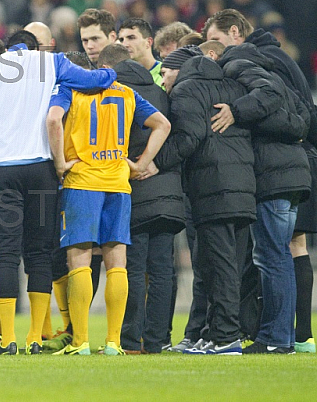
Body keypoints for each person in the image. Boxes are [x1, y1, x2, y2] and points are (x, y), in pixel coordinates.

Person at [0, 30, 117, 355]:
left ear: (10, 45)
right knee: (39, 253)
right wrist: (112, 70)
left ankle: (9, 337)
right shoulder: (52, 61)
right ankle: (35, 337)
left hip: (0, 171)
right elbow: (94, 79)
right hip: (41, 170)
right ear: (33, 46)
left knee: (6, 254)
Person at [203, 8, 317, 353]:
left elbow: (270, 96)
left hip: (276, 173)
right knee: (279, 253)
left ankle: (276, 338)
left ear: (235, 34)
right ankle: (283, 336)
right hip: (288, 169)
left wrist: (236, 111)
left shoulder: (241, 61)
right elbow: (298, 114)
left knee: (273, 255)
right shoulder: (270, 61)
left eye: (217, 41)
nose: (213, 51)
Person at [46, 45, 170, 357]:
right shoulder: (126, 94)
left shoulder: (71, 89)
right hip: (118, 183)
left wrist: (60, 162)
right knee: (118, 261)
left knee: (80, 259)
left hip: (82, 182)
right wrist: (141, 164)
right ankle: (114, 343)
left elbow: (53, 120)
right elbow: (163, 125)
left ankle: (81, 342)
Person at [154, 48, 256, 356]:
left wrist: (155, 162)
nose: (161, 79)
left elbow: (189, 137)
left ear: (177, 69)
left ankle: (225, 338)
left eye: (165, 72)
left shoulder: (186, 90)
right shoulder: (232, 86)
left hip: (214, 187)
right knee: (231, 265)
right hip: (243, 184)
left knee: (219, 265)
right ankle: (216, 334)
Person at [95, 44, 185, 354]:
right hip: (170, 190)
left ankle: (130, 340)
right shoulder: (161, 92)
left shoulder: (115, 93)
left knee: (132, 266)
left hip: (133, 187)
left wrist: (141, 163)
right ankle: (157, 340)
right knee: (162, 270)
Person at [117, 18, 162, 86]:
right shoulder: (118, 78)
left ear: (148, 42)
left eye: (131, 38)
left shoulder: (165, 73)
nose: (124, 44)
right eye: (121, 40)